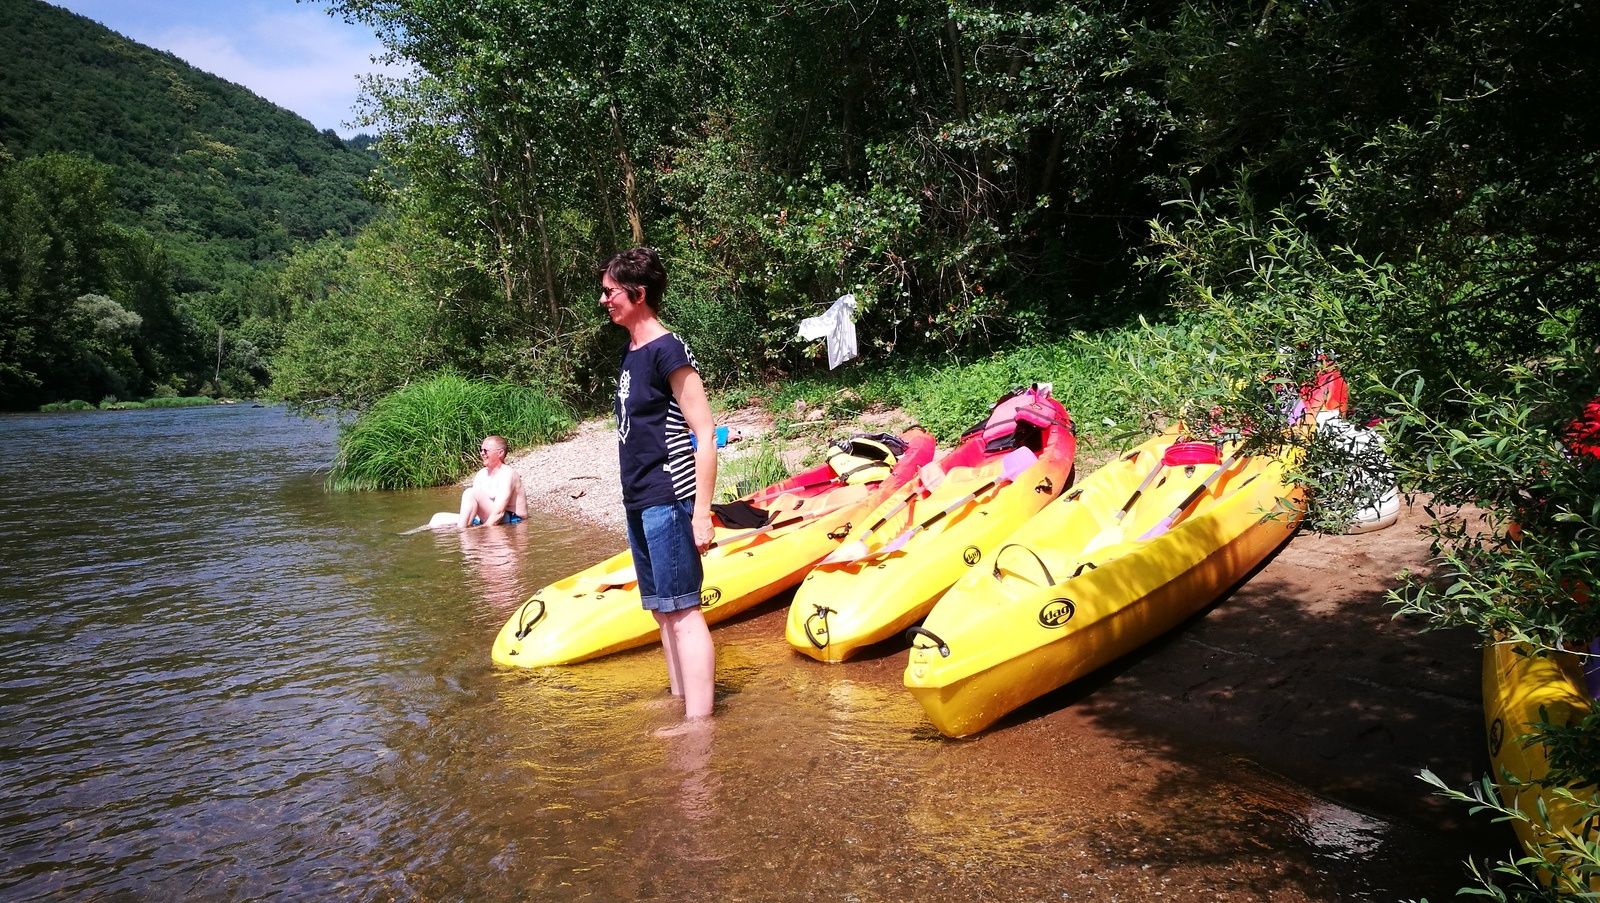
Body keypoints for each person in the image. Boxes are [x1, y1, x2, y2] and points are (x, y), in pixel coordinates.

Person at [602, 246, 717, 723]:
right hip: (640, 497)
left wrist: (701, 512)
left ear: (638, 293)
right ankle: (678, 701)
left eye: (611, 292)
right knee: (660, 609)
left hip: (670, 496)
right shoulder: (632, 351)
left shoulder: (669, 349)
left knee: (684, 610)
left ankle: (699, 724)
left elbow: (705, 432)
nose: (604, 300)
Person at [426, 435, 527, 529]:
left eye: (485, 450)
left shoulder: (507, 474)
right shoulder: (481, 474)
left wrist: (480, 530)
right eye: (481, 450)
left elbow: (499, 513)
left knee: (470, 493)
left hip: (511, 520)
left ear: (500, 453)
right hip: (485, 517)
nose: (482, 453)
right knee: (437, 519)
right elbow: (474, 506)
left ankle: (462, 532)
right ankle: (462, 529)